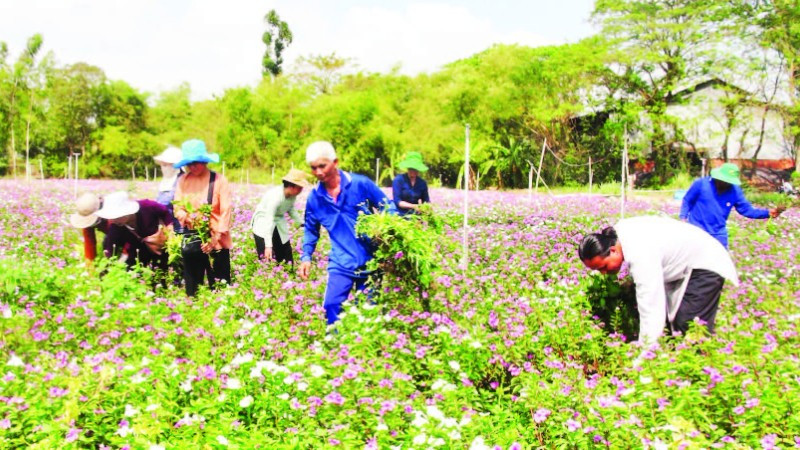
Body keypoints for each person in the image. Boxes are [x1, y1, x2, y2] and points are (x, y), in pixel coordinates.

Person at [578, 215, 739, 347]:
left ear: (613, 250)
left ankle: (696, 376)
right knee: (675, 325)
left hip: (706, 263)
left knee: (689, 325)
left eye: (603, 267)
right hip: (690, 265)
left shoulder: (639, 253)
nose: (604, 273)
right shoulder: (620, 235)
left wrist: (645, 354)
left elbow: (651, 307)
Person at [299, 141, 397, 324]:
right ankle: (336, 348)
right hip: (341, 262)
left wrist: (386, 226)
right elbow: (311, 230)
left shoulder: (360, 184)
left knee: (370, 314)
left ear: (335, 162)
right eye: (313, 168)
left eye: (322, 166)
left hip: (371, 261)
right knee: (331, 306)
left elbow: (387, 206)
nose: (318, 172)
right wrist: (306, 257)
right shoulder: (315, 199)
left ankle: (366, 349)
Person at [173, 139, 233, 297]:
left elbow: (225, 210)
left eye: (196, 162)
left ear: (204, 161)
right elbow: (177, 207)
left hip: (217, 240)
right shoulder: (183, 181)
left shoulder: (219, 180)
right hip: (193, 238)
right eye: (189, 163)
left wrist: (214, 239)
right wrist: (187, 217)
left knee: (221, 286)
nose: (193, 167)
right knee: (193, 288)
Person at [680, 162, 784, 248]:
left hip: (718, 234)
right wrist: (683, 218)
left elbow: (746, 210)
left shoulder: (734, 190)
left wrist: (767, 213)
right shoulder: (701, 184)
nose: (726, 184)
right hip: (696, 230)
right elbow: (687, 200)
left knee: (719, 267)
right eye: (724, 181)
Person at [96, 191, 172, 273]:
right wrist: (107, 265)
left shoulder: (146, 206)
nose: (113, 220)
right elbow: (110, 245)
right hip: (139, 252)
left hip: (162, 244)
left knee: (166, 269)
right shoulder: (116, 225)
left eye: (116, 217)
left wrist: (170, 229)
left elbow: (165, 212)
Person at [251, 169, 310, 263]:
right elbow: (268, 220)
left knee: (286, 255)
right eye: (300, 188)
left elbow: (291, 209)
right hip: (263, 224)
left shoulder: (292, 195)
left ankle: (288, 274)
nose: (301, 191)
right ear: (291, 186)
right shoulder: (275, 197)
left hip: (278, 223)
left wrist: (300, 222)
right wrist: (268, 246)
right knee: (267, 258)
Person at [69, 193, 113, 263]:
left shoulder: (112, 214)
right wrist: (90, 266)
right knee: (107, 246)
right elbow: (89, 242)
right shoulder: (87, 215)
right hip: (110, 234)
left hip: (128, 233)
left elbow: (126, 234)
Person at [392, 151, 431, 216]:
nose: (413, 171)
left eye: (415, 169)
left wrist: (427, 208)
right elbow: (397, 201)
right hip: (399, 214)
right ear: (408, 168)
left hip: (415, 216)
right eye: (411, 168)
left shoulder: (422, 183)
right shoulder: (398, 180)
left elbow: (426, 201)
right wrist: (414, 206)